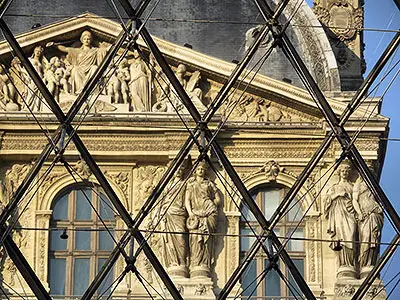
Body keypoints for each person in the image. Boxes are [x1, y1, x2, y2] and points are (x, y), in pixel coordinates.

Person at [185, 160, 221, 278]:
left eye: (203, 169)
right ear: (195, 171)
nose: (201, 171)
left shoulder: (209, 184)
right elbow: (187, 201)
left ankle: (203, 265)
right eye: (199, 169)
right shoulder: (191, 184)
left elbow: (218, 199)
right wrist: (191, 214)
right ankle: (196, 265)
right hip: (195, 214)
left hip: (209, 212)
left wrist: (211, 204)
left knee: (206, 241)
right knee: (195, 239)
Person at [158, 158, 192, 277]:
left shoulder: (185, 184)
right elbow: (162, 202)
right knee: (170, 240)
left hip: (180, 214)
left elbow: (187, 201)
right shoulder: (167, 186)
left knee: (181, 237)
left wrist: (191, 214)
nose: (178, 171)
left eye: (180, 168)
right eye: (176, 169)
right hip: (168, 213)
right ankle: (174, 264)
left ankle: (182, 263)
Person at [324, 161, 357, 278]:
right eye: (342, 171)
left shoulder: (353, 187)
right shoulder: (334, 187)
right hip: (339, 214)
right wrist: (338, 195)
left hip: (351, 215)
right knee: (343, 238)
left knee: (351, 236)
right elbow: (327, 203)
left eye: (347, 171)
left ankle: (351, 265)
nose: (344, 173)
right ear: (339, 172)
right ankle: (344, 264)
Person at [352, 177, 384, 278]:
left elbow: (381, 202)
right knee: (365, 238)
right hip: (364, 216)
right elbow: (354, 200)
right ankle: (364, 262)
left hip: (374, 215)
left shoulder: (373, 184)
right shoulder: (358, 184)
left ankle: (369, 264)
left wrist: (379, 208)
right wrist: (359, 213)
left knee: (372, 239)